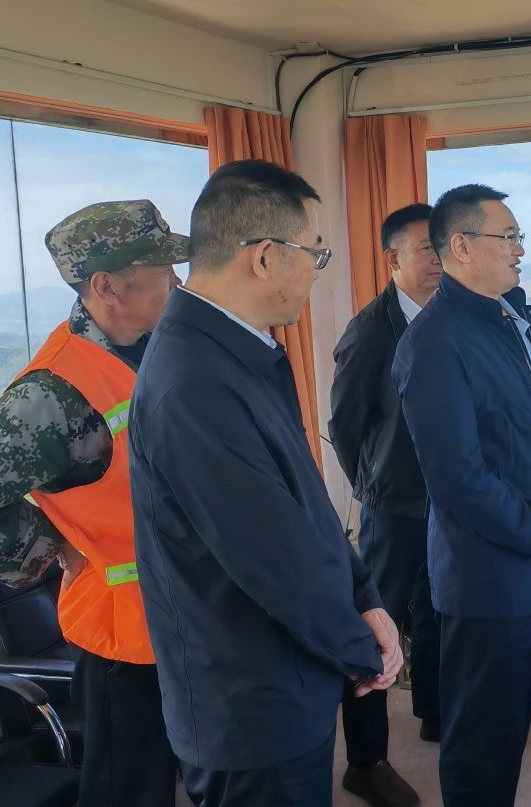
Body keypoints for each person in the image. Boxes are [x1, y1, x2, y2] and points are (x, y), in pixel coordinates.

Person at [0, 199, 188, 807]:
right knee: (129, 792)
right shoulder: (53, 396)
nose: (177, 281)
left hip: (182, 618)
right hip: (124, 638)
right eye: (162, 270)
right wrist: (48, 550)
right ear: (107, 286)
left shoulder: (146, 346)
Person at [128, 159, 403, 807]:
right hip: (247, 703)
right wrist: (360, 648)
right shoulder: (194, 381)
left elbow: (304, 504)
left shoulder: (238, 351)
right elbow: (271, 555)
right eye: (314, 254)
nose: (316, 269)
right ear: (264, 257)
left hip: (285, 677)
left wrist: (363, 597)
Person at [392, 184, 531, 807]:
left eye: (517, 237)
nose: (519, 250)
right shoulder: (435, 340)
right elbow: (456, 478)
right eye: (507, 238)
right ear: (461, 246)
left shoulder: (512, 317)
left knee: (510, 725)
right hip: (489, 577)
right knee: (481, 739)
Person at [329, 203, 441, 807]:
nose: (439, 259)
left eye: (444, 245)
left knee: (440, 611)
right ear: (393, 257)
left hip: (449, 504)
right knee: (377, 625)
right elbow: (345, 425)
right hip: (393, 507)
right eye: (426, 248)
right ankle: (366, 761)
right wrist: (372, 484)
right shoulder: (371, 330)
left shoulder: (452, 315)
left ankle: (436, 712)